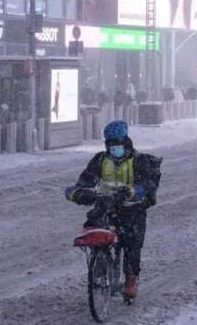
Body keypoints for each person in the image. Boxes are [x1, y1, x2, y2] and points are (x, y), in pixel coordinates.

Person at [65, 120, 162, 300]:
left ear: (125, 142)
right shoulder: (100, 160)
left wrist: (130, 191)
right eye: (111, 144)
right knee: (93, 229)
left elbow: (147, 186)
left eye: (117, 143)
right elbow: (86, 180)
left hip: (132, 209)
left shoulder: (139, 161)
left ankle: (131, 279)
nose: (114, 147)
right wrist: (78, 192)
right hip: (106, 206)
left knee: (132, 242)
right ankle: (100, 262)